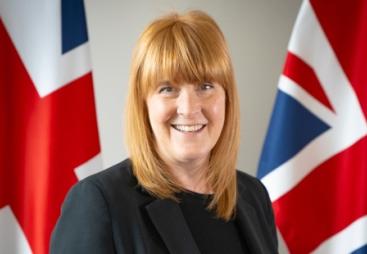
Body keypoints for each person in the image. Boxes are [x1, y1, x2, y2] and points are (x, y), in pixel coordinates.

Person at [50, 10, 278, 254]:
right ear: (143, 103)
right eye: (168, 89)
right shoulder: (99, 202)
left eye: (206, 86)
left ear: (227, 99)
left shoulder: (252, 195)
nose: (189, 109)